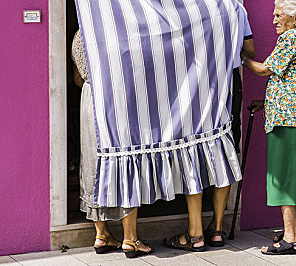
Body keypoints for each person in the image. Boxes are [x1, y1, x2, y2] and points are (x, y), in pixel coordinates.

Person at [242, 0, 296, 255]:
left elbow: (266, 69)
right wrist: (267, 102)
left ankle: (291, 238)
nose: (274, 20)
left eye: (279, 15)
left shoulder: (291, 37)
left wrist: (239, 57)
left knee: (284, 177)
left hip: (288, 120)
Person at [163, 36, 255, 252]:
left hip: (192, 80)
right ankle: (217, 229)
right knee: (225, 153)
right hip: (228, 82)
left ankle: (195, 234)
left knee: (191, 151)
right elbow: (250, 50)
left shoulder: (187, 8)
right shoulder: (234, 9)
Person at [72, 31, 152, 258]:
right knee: (126, 161)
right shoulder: (118, 28)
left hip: (89, 99)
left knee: (93, 164)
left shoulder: (80, 35)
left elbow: (78, 79)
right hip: (117, 98)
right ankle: (130, 239)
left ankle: (102, 235)